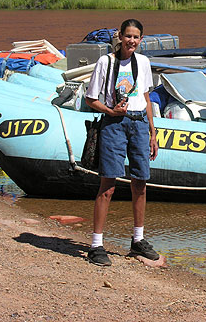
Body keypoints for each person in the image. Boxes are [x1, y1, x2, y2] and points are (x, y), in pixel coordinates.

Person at [84, 19, 159, 266]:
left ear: (141, 39)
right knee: (108, 185)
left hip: (138, 124)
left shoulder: (144, 63)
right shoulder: (105, 62)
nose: (132, 41)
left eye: (136, 37)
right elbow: (90, 99)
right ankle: (96, 245)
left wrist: (153, 133)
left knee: (141, 183)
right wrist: (110, 110)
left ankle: (138, 241)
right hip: (114, 124)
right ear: (120, 37)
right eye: (128, 36)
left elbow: (146, 98)